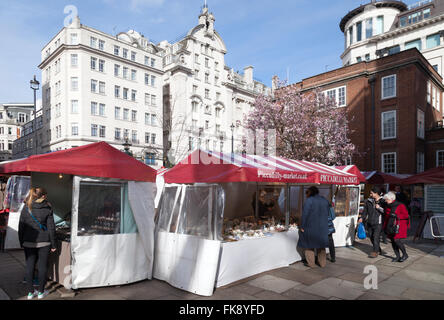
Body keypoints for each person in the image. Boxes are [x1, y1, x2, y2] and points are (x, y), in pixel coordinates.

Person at [18, 187, 56, 300]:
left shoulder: (26, 207)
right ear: (43, 196)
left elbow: (21, 227)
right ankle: (41, 292)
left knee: (29, 266)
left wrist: (21, 242)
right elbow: (51, 228)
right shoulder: (47, 207)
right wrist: (54, 244)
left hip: (28, 242)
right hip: (44, 242)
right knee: (42, 267)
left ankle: (30, 293)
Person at [297, 186, 330, 268]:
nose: (306, 195)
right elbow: (328, 213)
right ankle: (322, 263)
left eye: (307, 193)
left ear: (310, 192)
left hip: (310, 227)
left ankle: (311, 264)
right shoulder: (324, 200)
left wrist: (302, 226)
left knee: (309, 246)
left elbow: (305, 215)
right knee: (321, 247)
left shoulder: (309, 201)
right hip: (323, 227)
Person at [383, 191, 410, 263]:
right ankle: (397, 256)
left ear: (392, 199)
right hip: (390, 225)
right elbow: (386, 217)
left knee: (396, 240)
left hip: (399, 225)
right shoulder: (387, 206)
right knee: (393, 241)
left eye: (387, 199)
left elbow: (406, 215)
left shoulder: (400, 205)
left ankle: (405, 254)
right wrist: (385, 227)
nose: (385, 201)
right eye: (385, 199)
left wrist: (396, 216)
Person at [359, 187, 385, 258]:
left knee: (375, 237)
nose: (370, 194)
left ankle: (375, 252)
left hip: (378, 223)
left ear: (376, 193)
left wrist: (379, 208)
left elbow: (385, 212)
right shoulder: (369, 201)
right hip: (369, 222)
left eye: (371, 193)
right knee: (371, 237)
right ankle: (378, 249)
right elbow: (365, 211)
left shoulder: (383, 201)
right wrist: (362, 218)